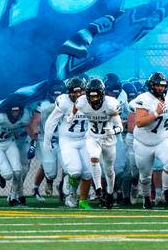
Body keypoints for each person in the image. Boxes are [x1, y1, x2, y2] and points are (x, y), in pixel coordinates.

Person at [73, 77, 123, 209]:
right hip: (93, 137)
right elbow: (76, 106)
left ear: (102, 94)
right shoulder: (82, 102)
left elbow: (120, 127)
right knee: (94, 158)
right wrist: (72, 117)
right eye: (91, 96)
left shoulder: (111, 104)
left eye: (96, 96)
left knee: (109, 170)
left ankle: (110, 193)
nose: (94, 100)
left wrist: (113, 131)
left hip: (109, 140)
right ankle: (99, 189)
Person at [130, 72, 168, 208]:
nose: (160, 88)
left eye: (162, 86)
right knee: (145, 176)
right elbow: (139, 122)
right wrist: (156, 113)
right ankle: (146, 198)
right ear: (151, 85)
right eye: (157, 85)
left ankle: (166, 192)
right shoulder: (142, 99)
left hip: (163, 138)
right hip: (143, 142)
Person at [44, 77, 90, 209]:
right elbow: (51, 121)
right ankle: (71, 194)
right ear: (68, 92)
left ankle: (83, 200)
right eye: (74, 92)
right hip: (68, 140)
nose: (77, 94)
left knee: (87, 173)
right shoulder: (64, 102)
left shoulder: (89, 101)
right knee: (75, 171)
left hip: (84, 140)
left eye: (80, 91)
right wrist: (47, 141)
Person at [0, 105, 31, 206]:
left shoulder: (23, 117)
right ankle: (2, 173)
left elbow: (22, 124)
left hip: (10, 142)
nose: (16, 114)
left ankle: (13, 196)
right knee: (8, 175)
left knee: (18, 171)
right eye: (13, 111)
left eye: (18, 111)